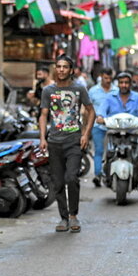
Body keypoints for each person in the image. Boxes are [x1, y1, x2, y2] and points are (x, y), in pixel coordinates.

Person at [39, 54, 95, 233]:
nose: (61, 70)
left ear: (71, 70)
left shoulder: (79, 89)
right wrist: (42, 138)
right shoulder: (48, 91)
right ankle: (63, 217)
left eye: (65, 67)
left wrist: (85, 134)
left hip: (73, 141)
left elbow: (91, 111)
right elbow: (43, 115)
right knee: (57, 182)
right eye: (58, 66)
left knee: (71, 177)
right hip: (54, 142)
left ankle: (73, 215)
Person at [98, 72, 138, 175]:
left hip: (133, 131)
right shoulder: (110, 97)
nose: (124, 85)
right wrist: (100, 117)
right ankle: (106, 161)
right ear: (118, 84)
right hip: (114, 130)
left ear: (130, 84)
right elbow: (101, 110)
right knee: (108, 134)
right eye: (121, 82)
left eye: (126, 83)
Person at [88, 68, 119, 187]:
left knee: (112, 151)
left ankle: (110, 175)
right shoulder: (93, 91)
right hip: (97, 126)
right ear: (101, 76)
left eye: (109, 78)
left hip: (114, 126)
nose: (107, 80)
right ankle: (97, 174)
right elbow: (88, 110)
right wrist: (87, 127)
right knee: (99, 150)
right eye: (105, 78)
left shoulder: (116, 91)